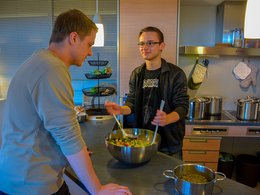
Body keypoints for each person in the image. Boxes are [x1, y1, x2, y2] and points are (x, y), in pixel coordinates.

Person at [0, 9, 132, 195]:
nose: (90, 52)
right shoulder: (51, 69)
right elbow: (67, 135)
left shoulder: (41, 61)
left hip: (24, 177)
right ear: (73, 38)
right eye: (89, 44)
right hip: (29, 184)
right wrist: (97, 189)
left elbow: (48, 124)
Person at [105, 26, 189, 159]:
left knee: (169, 179)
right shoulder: (137, 74)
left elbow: (182, 107)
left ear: (162, 46)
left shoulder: (176, 74)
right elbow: (132, 102)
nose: (145, 47)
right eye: (142, 43)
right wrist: (121, 110)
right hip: (141, 141)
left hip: (169, 144)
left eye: (150, 43)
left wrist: (167, 118)